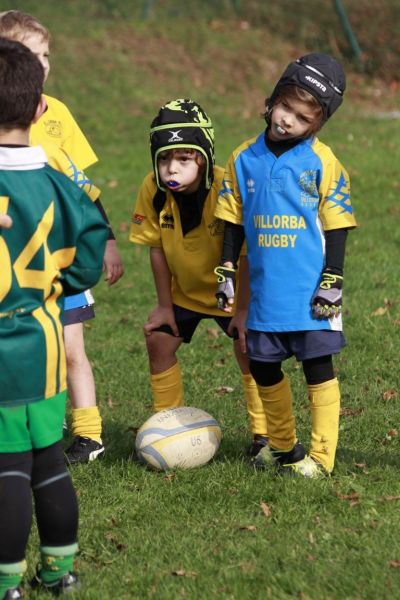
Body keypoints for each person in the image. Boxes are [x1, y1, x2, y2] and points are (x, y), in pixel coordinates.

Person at [0, 38, 108, 599]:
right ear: (40, 110)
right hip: (42, 343)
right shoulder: (63, 188)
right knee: (45, 457)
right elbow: (87, 258)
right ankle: (59, 572)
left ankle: (6, 582)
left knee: (6, 467)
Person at [214, 53, 356, 477]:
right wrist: (225, 270)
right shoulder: (242, 159)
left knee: (317, 368)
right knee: (261, 364)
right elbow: (232, 222)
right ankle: (284, 449)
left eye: (303, 117)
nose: (289, 121)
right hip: (265, 293)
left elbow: (337, 226)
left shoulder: (324, 163)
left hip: (312, 295)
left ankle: (322, 457)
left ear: (317, 124)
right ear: (272, 99)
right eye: (286, 108)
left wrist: (333, 278)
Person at [0, 10, 125, 464]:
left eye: (47, 54)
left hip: (61, 252)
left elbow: (83, 188)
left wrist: (107, 239)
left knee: (71, 347)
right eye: (33, 54)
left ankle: (88, 434)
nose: (44, 64)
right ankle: (23, 436)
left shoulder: (60, 115)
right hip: (11, 261)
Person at [129, 98, 269, 457]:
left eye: (183, 159)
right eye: (163, 159)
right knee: (159, 341)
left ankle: (263, 434)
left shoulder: (227, 187)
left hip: (235, 294)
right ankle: (166, 428)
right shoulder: (153, 190)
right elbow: (156, 249)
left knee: (248, 349)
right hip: (185, 294)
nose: (171, 169)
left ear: (204, 158)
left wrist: (242, 313)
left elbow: (246, 254)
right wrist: (164, 305)